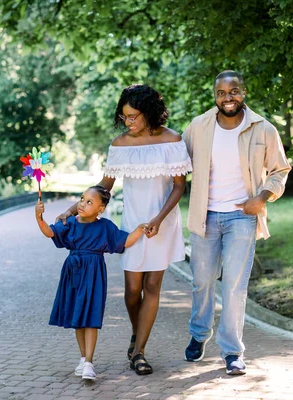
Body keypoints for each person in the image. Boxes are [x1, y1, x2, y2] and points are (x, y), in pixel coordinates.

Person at [56, 84, 192, 375]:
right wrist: (72, 208)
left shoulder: (172, 140)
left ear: (150, 113)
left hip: (162, 222)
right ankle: (137, 334)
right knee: (132, 291)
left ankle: (139, 351)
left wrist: (158, 219)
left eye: (134, 116)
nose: (129, 122)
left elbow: (179, 187)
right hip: (131, 224)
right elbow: (105, 186)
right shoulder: (119, 145)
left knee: (152, 287)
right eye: (125, 117)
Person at [182, 70, 291, 375]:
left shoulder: (263, 128)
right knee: (202, 281)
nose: (227, 98)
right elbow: (178, 161)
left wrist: (263, 197)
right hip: (205, 216)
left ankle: (232, 351)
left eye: (234, 91)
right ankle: (200, 333)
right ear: (214, 95)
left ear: (244, 91)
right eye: (221, 93)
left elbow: (280, 169)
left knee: (234, 285)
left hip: (242, 216)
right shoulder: (199, 126)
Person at [36, 186, 148, 381]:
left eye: (89, 202)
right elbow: (50, 233)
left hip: (94, 273)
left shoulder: (105, 226)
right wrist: (39, 218)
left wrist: (139, 230)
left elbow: (125, 241)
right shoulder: (70, 223)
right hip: (73, 272)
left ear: (100, 209)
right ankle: (82, 359)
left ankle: (89, 362)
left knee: (91, 317)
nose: (82, 204)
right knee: (77, 318)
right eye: (82, 199)